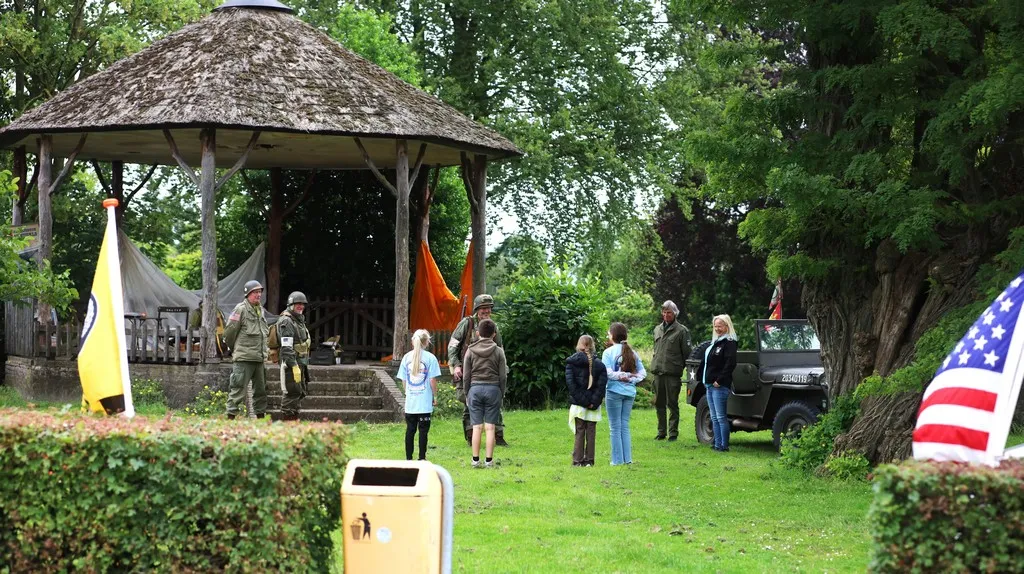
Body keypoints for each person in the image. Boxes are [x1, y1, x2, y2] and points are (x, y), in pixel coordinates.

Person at [449, 294, 508, 446]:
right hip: (467, 371)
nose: (486, 311)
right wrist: (456, 365)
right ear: (477, 309)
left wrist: (504, 368)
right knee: (468, 402)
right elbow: (453, 345)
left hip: (490, 372)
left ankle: (498, 437)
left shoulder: (493, 326)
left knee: (495, 405)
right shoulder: (467, 323)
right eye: (483, 308)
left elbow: (500, 348)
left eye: (488, 308)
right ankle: (470, 436)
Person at [462, 319, 507, 468]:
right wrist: (501, 392)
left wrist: (466, 392)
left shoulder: (470, 350)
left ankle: (475, 460)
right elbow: (503, 376)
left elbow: (466, 375)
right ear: (494, 334)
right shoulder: (498, 351)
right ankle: (489, 461)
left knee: (476, 427)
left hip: (474, 389)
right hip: (493, 389)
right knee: (490, 428)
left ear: (477, 333)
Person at [223, 280, 270, 419]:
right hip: (244, 358)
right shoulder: (241, 309)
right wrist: (236, 349)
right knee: (238, 389)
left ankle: (261, 419)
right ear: (248, 294)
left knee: (261, 391)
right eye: (255, 292)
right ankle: (230, 419)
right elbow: (229, 332)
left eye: (260, 292)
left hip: (259, 358)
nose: (258, 295)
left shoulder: (260, 310)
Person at [602, 322, 646, 466]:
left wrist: (620, 376)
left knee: (615, 427)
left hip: (614, 391)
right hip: (629, 392)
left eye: (609, 333)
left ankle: (617, 460)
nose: (608, 336)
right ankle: (628, 459)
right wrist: (631, 378)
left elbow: (607, 373)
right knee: (624, 425)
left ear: (613, 335)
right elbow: (642, 373)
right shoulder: (632, 352)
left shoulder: (608, 353)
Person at [650, 300, 692, 441]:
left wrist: (683, 369)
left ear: (675, 313)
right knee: (659, 403)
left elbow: (687, 354)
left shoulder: (682, 331)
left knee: (672, 404)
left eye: (669, 312)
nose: (666, 315)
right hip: (658, 373)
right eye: (664, 312)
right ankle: (661, 432)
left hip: (672, 374)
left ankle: (673, 433)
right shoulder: (657, 329)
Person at [398, 329, 441, 461]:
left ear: (413, 342)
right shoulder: (430, 358)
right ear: (427, 342)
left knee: (410, 430)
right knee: (423, 432)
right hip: (424, 402)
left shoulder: (406, 358)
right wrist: (435, 395)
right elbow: (432, 380)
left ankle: (408, 459)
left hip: (411, 402)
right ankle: (422, 458)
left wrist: (407, 392)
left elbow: (404, 380)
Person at [565, 335, 608, 467]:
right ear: (592, 346)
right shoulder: (600, 365)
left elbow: (571, 386)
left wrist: (583, 401)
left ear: (579, 345)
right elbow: (601, 387)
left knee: (579, 432)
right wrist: (593, 402)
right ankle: (589, 460)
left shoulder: (571, 363)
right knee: (591, 432)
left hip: (578, 404)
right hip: (593, 405)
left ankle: (577, 460)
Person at [701, 314, 738, 452]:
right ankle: (717, 444)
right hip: (709, 385)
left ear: (727, 326)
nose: (717, 328)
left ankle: (724, 445)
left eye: (720, 326)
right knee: (714, 416)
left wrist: (719, 380)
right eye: (715, 326)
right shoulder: (716, 342)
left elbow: (730, 364)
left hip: (719, 385)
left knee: (721, 417)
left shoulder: (729, 343)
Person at [276, 291, 311, 421]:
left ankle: (294, 422)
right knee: (291, 392)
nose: (301, 306)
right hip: (291, 363)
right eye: (298, 304)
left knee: (299, 391)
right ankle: (288, 426)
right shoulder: (287, 321)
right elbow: (286, 346)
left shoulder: (299, 320)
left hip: (301, 361)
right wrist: (293, 365)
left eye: (302, 304)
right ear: (291, 304)